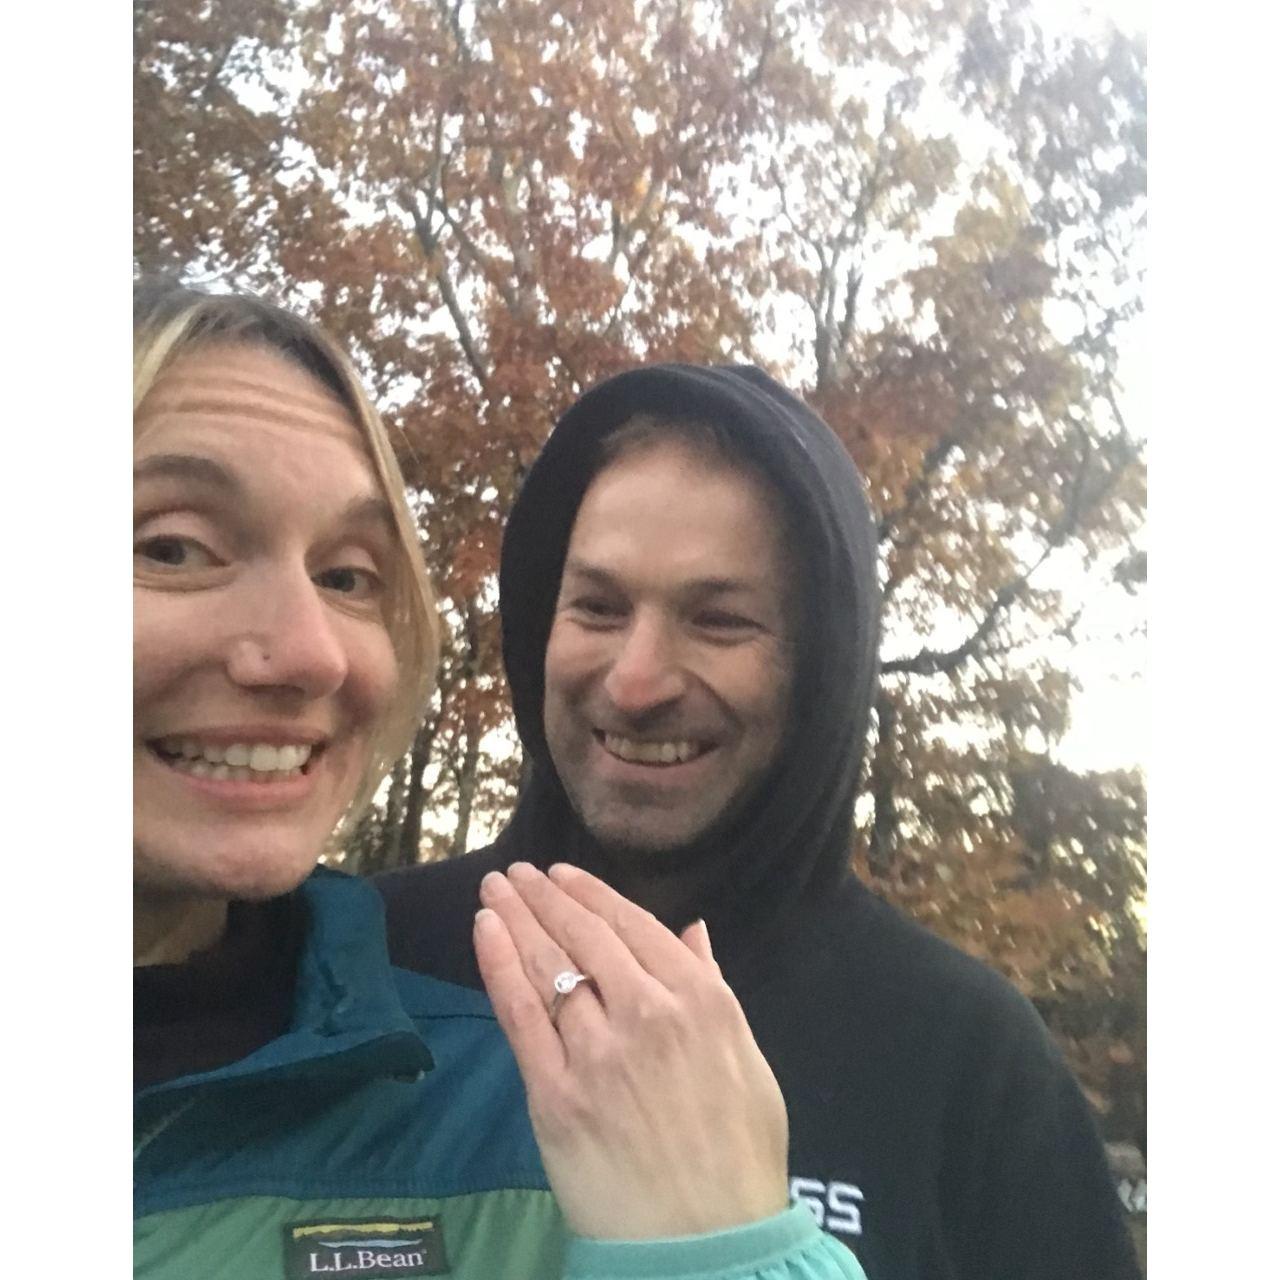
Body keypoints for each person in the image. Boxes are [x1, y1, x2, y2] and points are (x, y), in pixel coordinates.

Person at [132, 281, 867, 1280]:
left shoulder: (514, 1119)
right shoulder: (421, 983)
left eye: (348, 573)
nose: (311, 653)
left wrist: (727, 1256)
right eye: (172, 547)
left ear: (825, 663)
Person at [377, 364, 1143, 1280]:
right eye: (599, 606)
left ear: (821, 668)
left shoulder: (965, 1057)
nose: (635, 680)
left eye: (720, 620)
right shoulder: (363, 969)